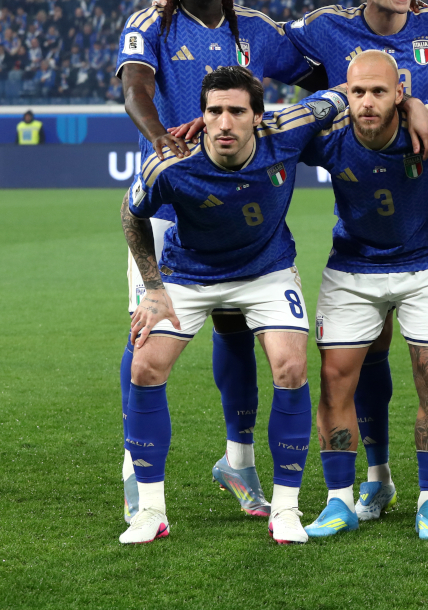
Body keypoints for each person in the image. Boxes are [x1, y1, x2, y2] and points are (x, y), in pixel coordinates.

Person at [115, 0, 315, 526]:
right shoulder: (151, 22)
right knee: (145, 337)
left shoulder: (252, 30)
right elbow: (135, 87)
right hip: (170, 211)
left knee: (237, 335)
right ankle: (135, 471)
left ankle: (239, 462)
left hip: (236, 213)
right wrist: (160, 143)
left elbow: (316, 73)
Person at [284, 0, 428, 518]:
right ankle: (375, 475)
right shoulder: (326, 27)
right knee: (362, 347)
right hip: (365, 204)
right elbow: (272, 52)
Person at [119, 67, 347, 545]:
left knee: (290, 366)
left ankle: (285, 509)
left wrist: (406, 102)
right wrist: (154, 288)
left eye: (236, 111)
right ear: (201, 117)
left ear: (257, 117)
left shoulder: (288, 132)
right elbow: (131, 213)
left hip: (266, 271)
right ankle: (151, 511)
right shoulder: (171, 163)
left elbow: (343, 95)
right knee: (144, 367)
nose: (224, 123)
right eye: (214, 111)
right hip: (189, 274)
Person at [297, 50, 428, 542]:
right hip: (353, 269)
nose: (368, 102)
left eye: (379, 91)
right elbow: (264, 129)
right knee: (335, 382)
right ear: (344, 95)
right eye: (357, 92)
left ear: (400, 92)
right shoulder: (328, 139)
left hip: (426, 268)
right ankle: (339, 502)